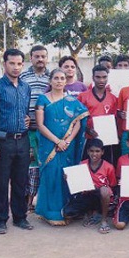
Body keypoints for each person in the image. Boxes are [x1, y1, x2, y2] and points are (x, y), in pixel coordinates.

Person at [0, 48, 32, 234]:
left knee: (21, 181)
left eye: (19, 63)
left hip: (23, 140)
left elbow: (25, 112)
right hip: (3, 141)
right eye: (12, 63)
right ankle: (1, 218)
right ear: (4, 63)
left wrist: (27, 120)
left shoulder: (25, 87)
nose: (16, 67)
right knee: (2, 181)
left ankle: (20, 217)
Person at [35, 68, 89, 226]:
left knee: (65, 177)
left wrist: (68, 140)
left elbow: (79, 121)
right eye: (56, 78)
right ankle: (50, 212)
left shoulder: (72, 101)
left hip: (67, 147)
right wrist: (57, 141)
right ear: (50, 80)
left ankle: (66, 210)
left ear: (66, 81)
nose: (59, 81)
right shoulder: (42, 99)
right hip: (49, 145)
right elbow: (40, 125)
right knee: (50, 175)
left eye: (62, 78)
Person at [19, 45, 50, 213]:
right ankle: (25, 201)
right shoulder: (23, 76)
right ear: (31, 58)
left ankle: (42, 201)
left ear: (47, 58)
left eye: (43, 56)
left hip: (46, 131)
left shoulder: (52, 77)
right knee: (27, 166)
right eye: (36, 56)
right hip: (27, 130)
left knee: (44, 164)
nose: (40, 59)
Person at [63, 138, 117, 234]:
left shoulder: (109, 167)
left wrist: (100, 189)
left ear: (102, 152)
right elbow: (77, 184)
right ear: (87, 151)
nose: (94, 154)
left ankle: (103, 220)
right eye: (91, 151)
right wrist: (69, 178)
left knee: (104, 190)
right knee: (67, 213)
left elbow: (112, 184)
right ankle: (92, 213)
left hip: (101, 197)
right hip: (87, 195)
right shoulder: (82, 164)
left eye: (97, 151)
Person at [78, 65, 119, 165]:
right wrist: (88, 129)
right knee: (86, 166)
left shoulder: (113, 98)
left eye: (104, 77)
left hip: (107, 140)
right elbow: (77, 119)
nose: (101, 80)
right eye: (98, 77)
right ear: (93, 78)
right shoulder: (83, 97)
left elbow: (115, 119)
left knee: (107, 165)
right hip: (89, 138)